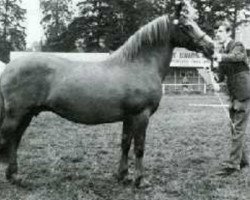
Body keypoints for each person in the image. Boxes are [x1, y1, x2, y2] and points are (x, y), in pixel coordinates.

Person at [213, 20, 250, 175]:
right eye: (216, 32)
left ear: (228, 33)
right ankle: (243, 161)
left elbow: (236, 57)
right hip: (233, 94)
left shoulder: (237, 45)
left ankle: (233, 165)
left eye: (221, 31)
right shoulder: (222, 52)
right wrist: (213, 77)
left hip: (243, 92)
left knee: (238, 129)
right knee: (234, 128)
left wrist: (219, 57)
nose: (217, 34)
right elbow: (220, 77)